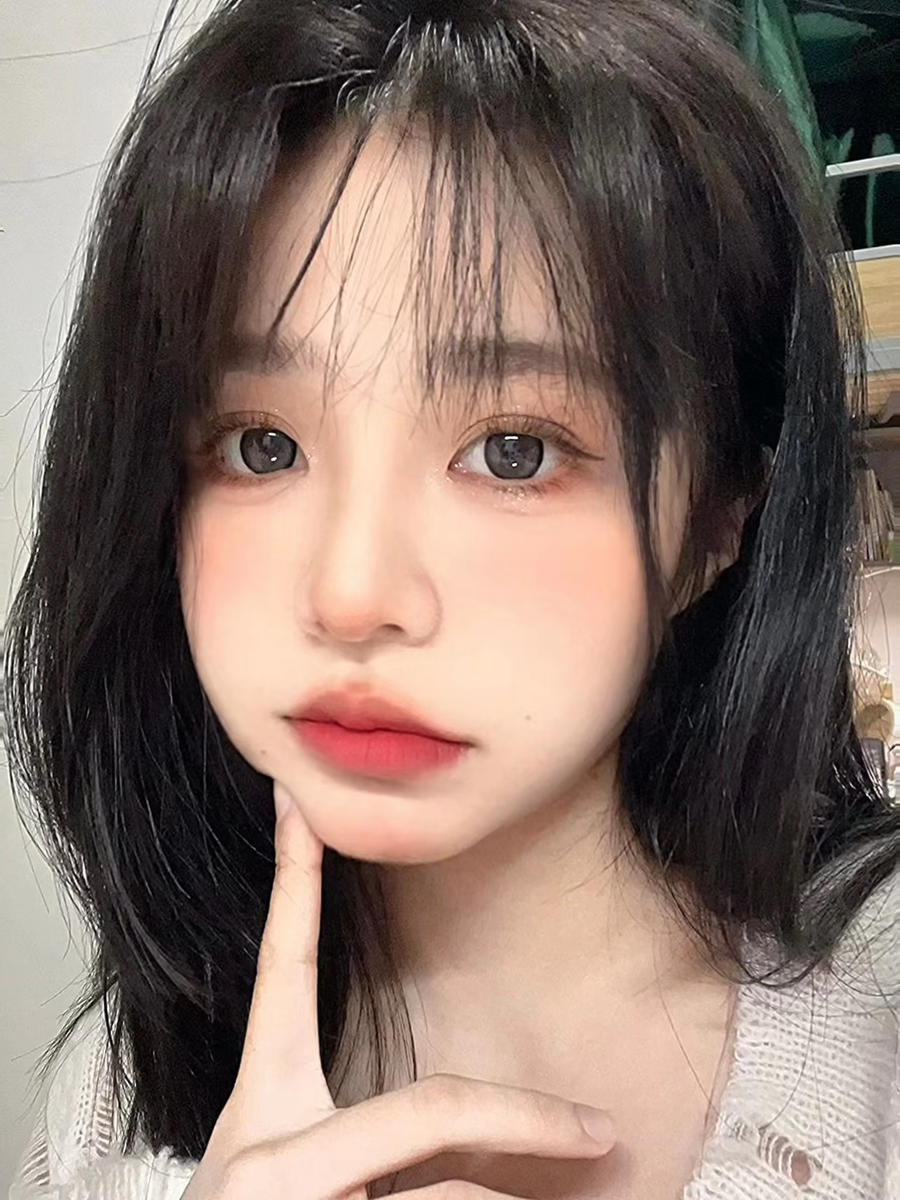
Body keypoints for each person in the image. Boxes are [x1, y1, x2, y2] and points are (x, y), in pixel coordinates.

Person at [5, 0, 900, 1197]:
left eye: (514, 452)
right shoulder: (120, 1099)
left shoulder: (878, 1046)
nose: (353, 593)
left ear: (718, 521)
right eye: (263, 446)